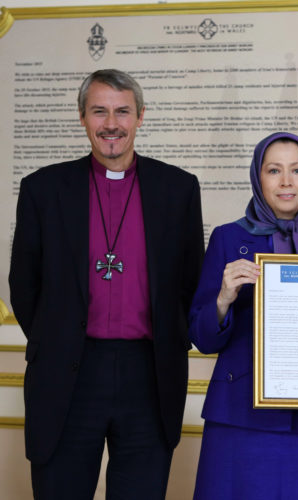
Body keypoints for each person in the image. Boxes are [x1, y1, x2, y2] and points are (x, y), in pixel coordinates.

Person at [9, 69, 204, 499]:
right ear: (82, 117)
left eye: (122, 112)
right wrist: (55, 339)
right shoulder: (43, 189)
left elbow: (191, 282)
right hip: (68, 375)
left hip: (149, 376)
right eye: (99, 111)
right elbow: (24, 283)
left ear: (139, 117)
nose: (111, 124)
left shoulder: (178, 189)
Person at [189, 132, 298, 499]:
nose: (286, 182)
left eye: (297, 170)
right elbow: (203, 338)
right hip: (241, 416)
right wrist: (223, 299)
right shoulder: (227, 239)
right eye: (274, 170)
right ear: (257, 177)